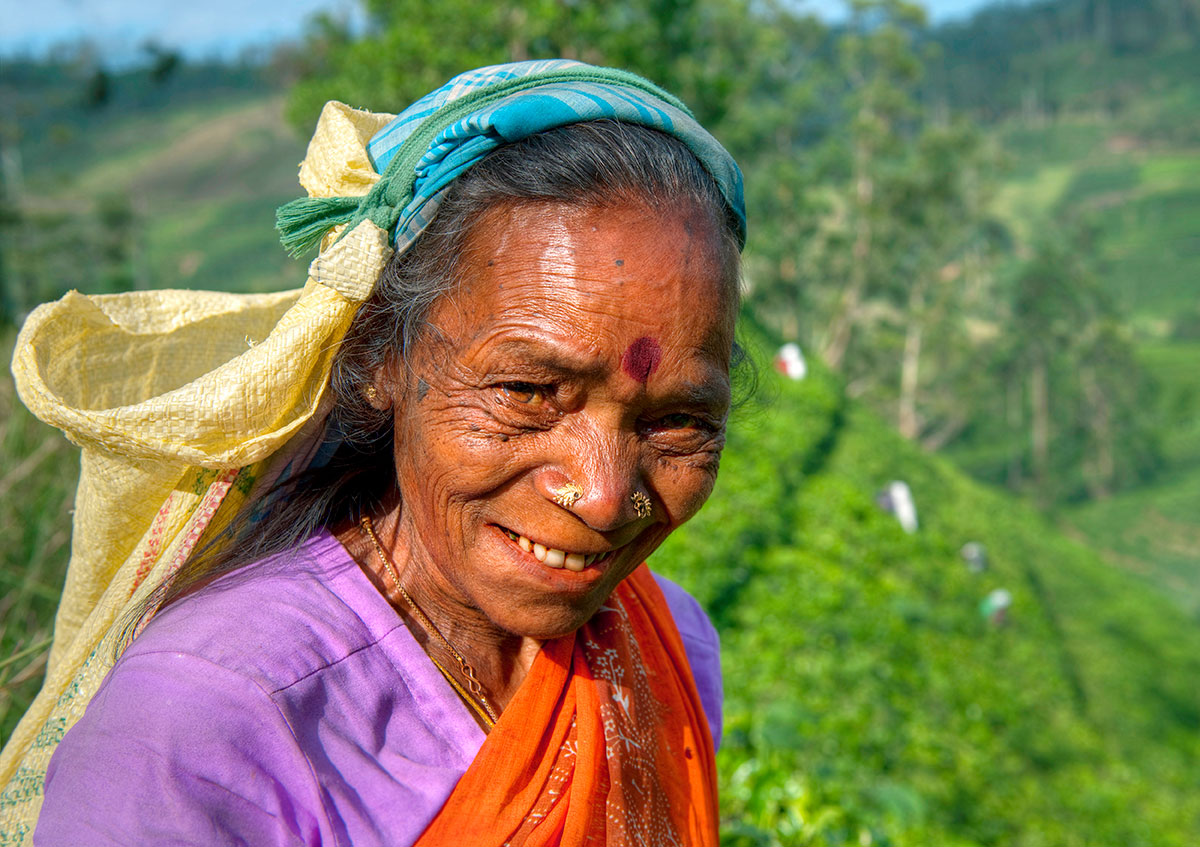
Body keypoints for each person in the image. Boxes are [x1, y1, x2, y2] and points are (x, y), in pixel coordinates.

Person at [13, 60, 746, 845]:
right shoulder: (208, 719)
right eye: (529, 392)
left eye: (676, 421)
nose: (603, 498)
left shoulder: (677, 645)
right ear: (380, 355)